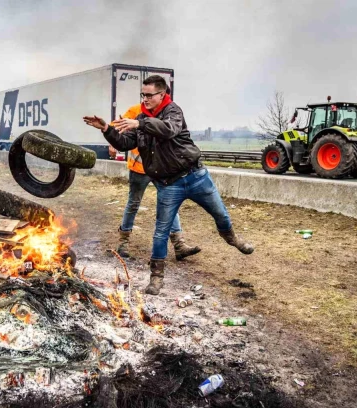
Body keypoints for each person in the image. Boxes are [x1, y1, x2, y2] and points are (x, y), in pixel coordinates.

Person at [84, 75, 253, 296]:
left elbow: (168, 130)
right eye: (142, 95)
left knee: (221, 215)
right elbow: (125, 142)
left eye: (149, 95)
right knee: (160, 233)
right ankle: (156, 277)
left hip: (195, 177)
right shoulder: (141, 118)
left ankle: (232, 238)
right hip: (168, 185)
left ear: (162, 95)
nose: (144, 99)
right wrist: (106, 128)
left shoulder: (173, 112)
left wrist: (140, 122)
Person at [110, 100, 200, 261]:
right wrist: (113, 142)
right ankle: (123, 241)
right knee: (133, 204)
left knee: (170, 203)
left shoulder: (168, 111)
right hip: (140, 167)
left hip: (162, 169)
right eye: (146, 95)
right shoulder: (135, 110)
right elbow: (116, 126)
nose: (149, 99)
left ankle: (179, 244)